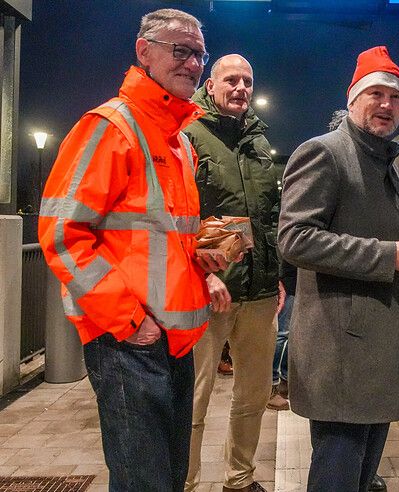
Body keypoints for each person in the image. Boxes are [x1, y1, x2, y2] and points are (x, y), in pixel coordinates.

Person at [37, 9, 230, 491]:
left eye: (198, 55)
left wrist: (204, 264)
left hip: (172, 339)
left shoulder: (179, 140)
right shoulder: (109, 125)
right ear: (144, 52)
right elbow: (63, 235)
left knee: (166, 476)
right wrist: (129, 320)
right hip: (128, 340)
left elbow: (162, 237)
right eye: (179, 51)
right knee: (144, 481)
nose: (192, 64)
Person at [278, 45, 399, 492]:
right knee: (338, 471)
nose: (386, 105)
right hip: (342, 351)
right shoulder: (324, 153)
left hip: (377, 347)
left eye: (395, 98)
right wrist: (391, 255)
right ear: (352, 99)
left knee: (361, 471)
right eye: (376, 94)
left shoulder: (382, 162)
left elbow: (382, 232)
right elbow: (294, 239)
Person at [184, 54, 282, 492]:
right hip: (206, 291)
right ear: (211, 83)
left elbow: (268, 218)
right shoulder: (188, 134)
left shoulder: (259, 141)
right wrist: (201, 270)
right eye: (231, 80)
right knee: (193, 400)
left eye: (248, 80)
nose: (241, 87)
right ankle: (183, 482)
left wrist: (275, 273)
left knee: (253, 396)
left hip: (259, 292)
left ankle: (239, 481)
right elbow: (177, 214)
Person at [267, 257, 295, 410]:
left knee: (289, 336)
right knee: (282, 335)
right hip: (288, 280)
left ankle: (285, 380)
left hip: (294, 279)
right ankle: (271, 386)